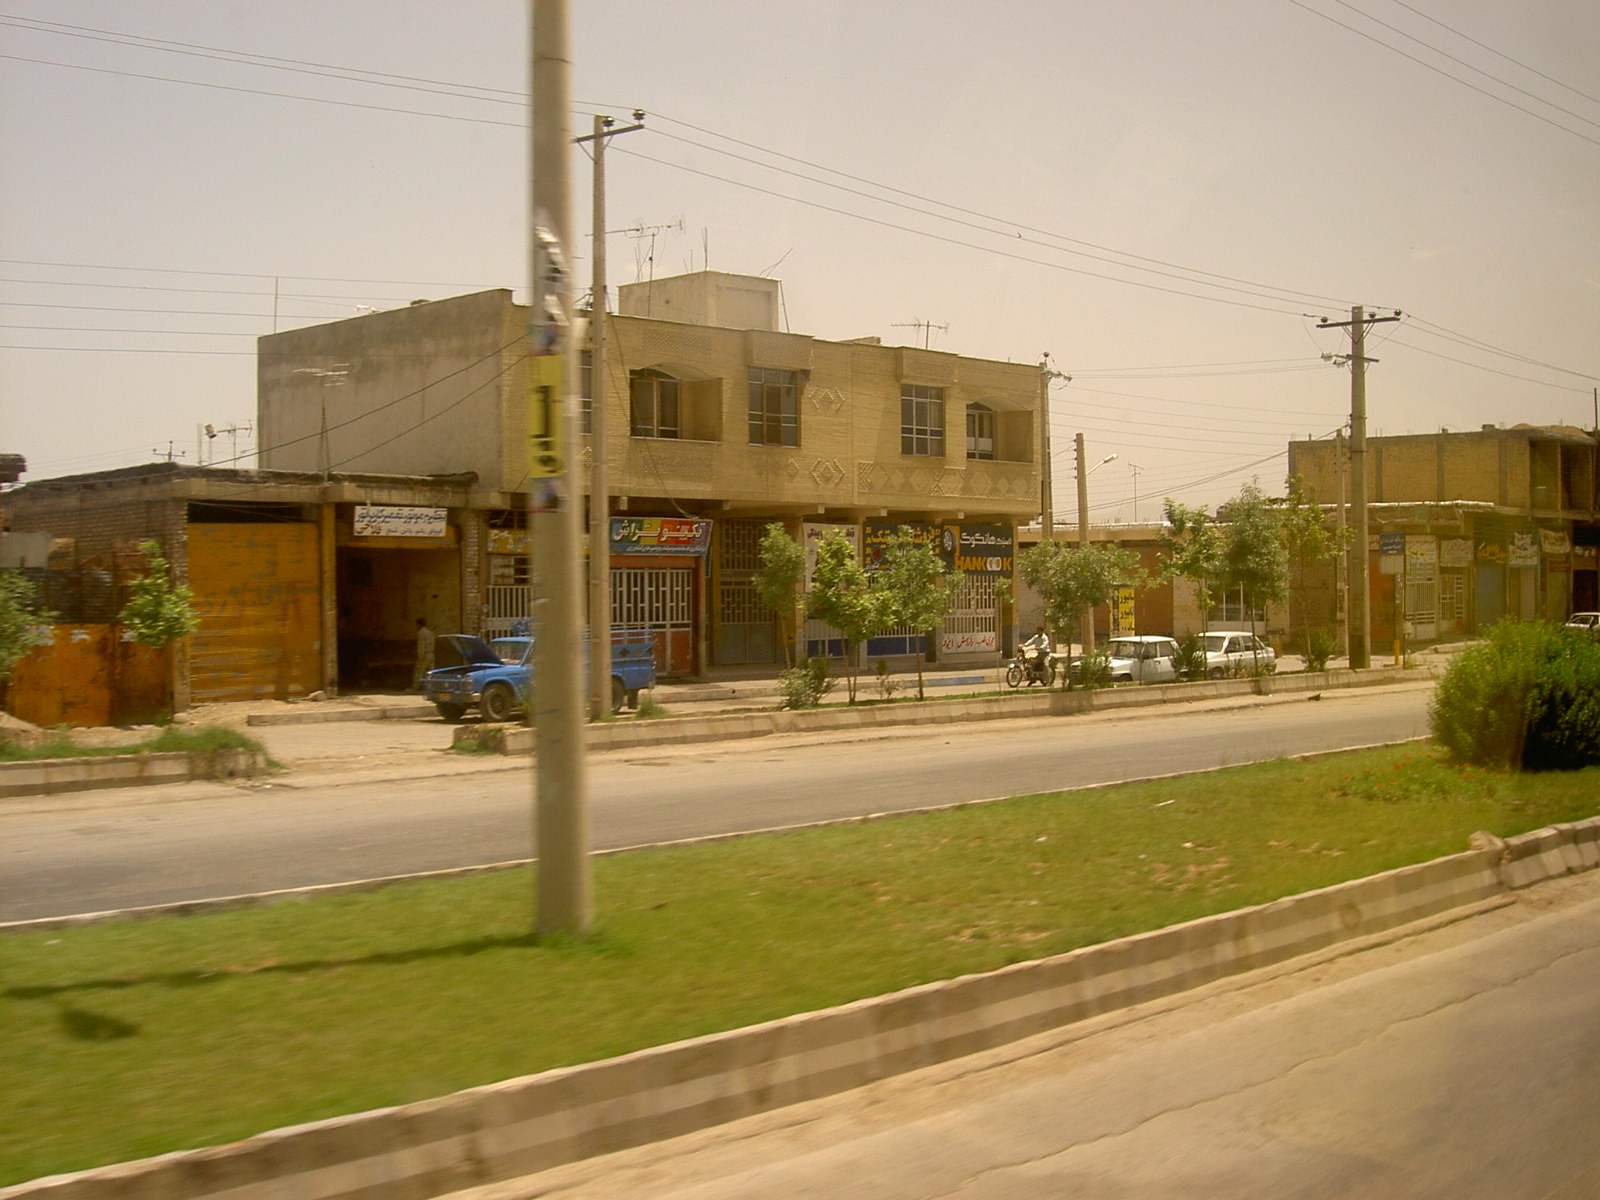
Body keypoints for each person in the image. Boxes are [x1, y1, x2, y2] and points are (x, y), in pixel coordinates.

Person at [413, 616, 436, 689]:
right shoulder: (430, 633)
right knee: (431, 672)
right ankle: (432, 687)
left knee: (419, 671)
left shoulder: (421, 633)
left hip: (425, 655)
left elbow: (421, 647)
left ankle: (416, 687)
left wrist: (420, 658)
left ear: (419, 624)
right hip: (431, 653)